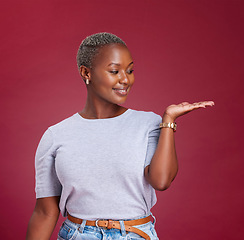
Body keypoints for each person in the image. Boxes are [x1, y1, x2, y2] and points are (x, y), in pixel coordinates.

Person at [26, 32, 214, 240]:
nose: (125, 79)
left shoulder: (149, 124)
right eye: (115, 71)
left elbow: (161, 181)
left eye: (130, 70)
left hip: (134, 234)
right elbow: (45, 211)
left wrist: (169, 121)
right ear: (86, 73)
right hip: (77, 234)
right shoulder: (56, 135)